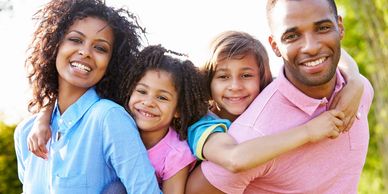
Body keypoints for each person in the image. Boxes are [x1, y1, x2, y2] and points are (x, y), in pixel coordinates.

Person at [187, 0, 374, 193]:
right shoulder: (250, 136)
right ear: (275, 46)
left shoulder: (358, 91)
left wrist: (356, 80)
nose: (311, 47)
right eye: (292, 36)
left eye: (323, 28)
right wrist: (308, 132)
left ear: (340, 27)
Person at [13, 0, 161, 193]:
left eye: (100, 48)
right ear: (54, 44)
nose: (85, 52)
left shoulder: (109, 118)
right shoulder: (26, 132)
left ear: (111, 61)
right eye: (75, 39)